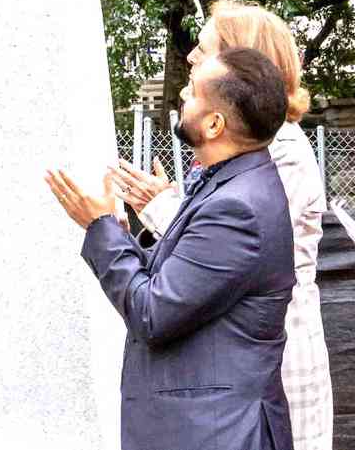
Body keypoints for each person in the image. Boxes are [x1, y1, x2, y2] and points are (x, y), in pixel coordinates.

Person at [46, 46, 295, 450]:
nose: (182, 95)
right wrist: (123, 234)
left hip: (217, 433)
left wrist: (99, 228)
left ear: (214, 124)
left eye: (193, 91)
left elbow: (153, 313)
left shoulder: (237, 208)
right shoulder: (230, 182)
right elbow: (186, 283)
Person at [111, 0, 333, 450]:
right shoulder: (239, 150)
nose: (192, 58)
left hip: (272, 366)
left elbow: (240, 244)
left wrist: (160, 204)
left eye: (206, 49)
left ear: (244, 61)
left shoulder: (282, 151)